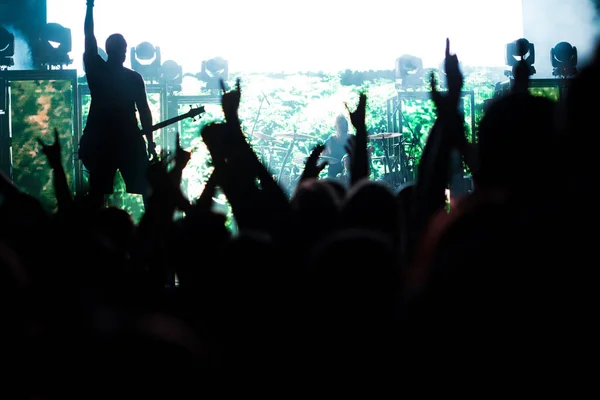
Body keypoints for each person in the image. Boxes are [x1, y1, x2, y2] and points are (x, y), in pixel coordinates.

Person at [79, 0, 157, 208]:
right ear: (121, 51)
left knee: (98, 191)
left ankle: (97, 233)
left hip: (105, 140)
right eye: (122, 48)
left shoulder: (98, 70)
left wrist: (89, 7)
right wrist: (149, 141)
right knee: (143, 188)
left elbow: (88, 36)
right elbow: (144, 111)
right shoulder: (131, 77)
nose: (122, 52)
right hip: (125, 139)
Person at [322, 114, 351, 179]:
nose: (344, 128)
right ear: (336, 127)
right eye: (341, 126)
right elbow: (322, 158)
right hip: (333, 177)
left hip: (351, 176)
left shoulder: (353, 140)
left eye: (345, 126)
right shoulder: (329, 142)